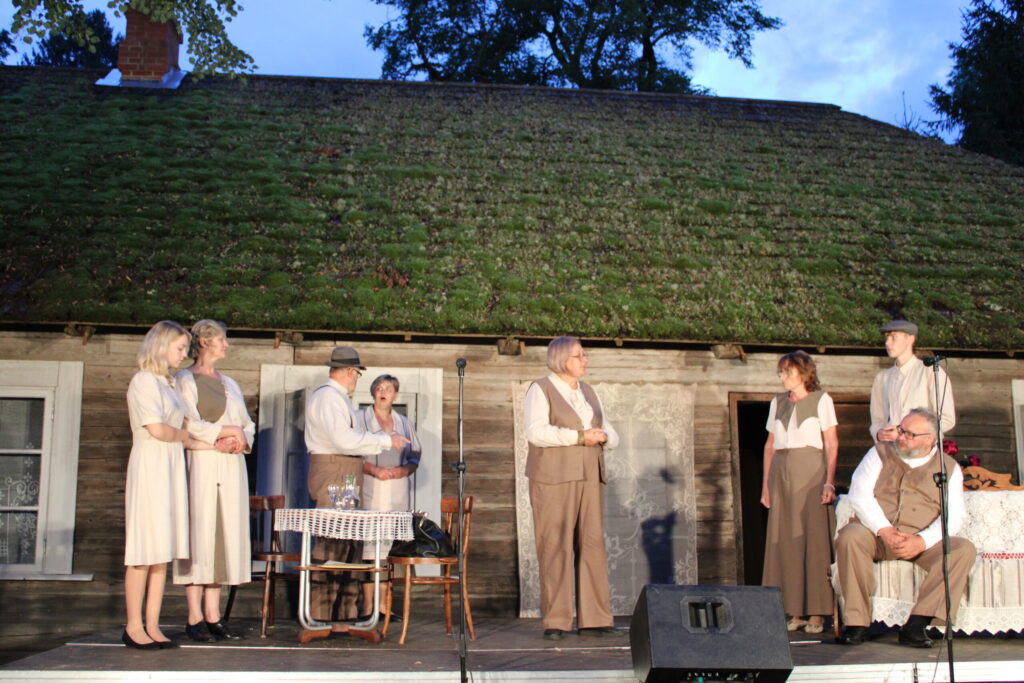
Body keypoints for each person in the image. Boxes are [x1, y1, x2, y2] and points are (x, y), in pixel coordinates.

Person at [122, 320, 243, 649]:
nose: (182, 354)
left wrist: (215, 443)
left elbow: (184, 434)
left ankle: (152, 624)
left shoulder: (168, 383)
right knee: (143, 549)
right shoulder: (144, 380)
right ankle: (133, 625)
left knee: (161, 551)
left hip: (172, 464)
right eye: (178, 348)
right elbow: (158, 430)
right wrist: (183, 435)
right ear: (161, 346)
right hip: (151, 464)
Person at [836, 408, 976, 647]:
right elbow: (859, 494)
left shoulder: (948, 467)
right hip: (877, 535)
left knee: (962, 549)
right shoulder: (879, 453)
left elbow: (953, 516)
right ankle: (857, 623)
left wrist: (921, 541)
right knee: (850, 536)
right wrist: (885, 530)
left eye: (909, 434)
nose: (900, 437)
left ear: (929, 439)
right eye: (901, 430)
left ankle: (916, 625)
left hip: (920, 541)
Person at [299, 346, 408, 643]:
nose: (356, 379)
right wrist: (384, 441)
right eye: (357, 374)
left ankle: (343, 616)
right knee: (331, 541)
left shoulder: (337, 398)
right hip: (334, 467)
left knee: (348, 542)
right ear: (349, 372)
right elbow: (342, 439)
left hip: (346, 467)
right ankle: (322, 615)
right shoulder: (327, 397)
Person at [524, 336, 620, 640]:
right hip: (554, 476)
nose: (585, 360)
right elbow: (536, 432)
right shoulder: (541, 388)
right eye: (579, 356)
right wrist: (579, 437)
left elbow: (608, 428)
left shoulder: (589, 392)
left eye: (584, 355)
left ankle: (595, 618)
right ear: (562, 359)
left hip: (589, 473)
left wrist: (606, 437)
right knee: (555, 545)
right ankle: (556, 620)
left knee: (592, 543)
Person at [173, 320, 256, 643]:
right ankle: (194, 616)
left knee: (224, 536)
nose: (226, 345)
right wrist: (223, 434)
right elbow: (187, 422)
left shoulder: (230, 383)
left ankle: (213, 615)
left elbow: (246, 423)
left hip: (231, 466)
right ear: (205, 342)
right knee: (202, 533)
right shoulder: (185, 380)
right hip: (203, 464)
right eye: (221, 339)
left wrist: (240, 440)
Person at [760, 351, 838, 635]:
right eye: (781, 372)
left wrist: (829, 482)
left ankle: (817, 612)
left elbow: (831, 442)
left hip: (811, 474)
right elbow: (770, 445)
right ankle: (794, 610)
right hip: (781, 475)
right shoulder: (777, 402)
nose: (783, 377)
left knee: (812, 540)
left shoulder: (821, 400)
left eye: (788, 372)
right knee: (785, 541)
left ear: (804, 373)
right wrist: (765, 485)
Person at [358, 373, 423, 618]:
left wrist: (403, 470)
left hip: (396, 489)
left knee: (389, 548)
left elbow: (415, 454)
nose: (384, 392)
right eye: (379, 388)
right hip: (370, 486)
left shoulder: (404, 423)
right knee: (368, 547)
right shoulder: (360, 418)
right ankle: (368, 606)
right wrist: (373, 469)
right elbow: (352, 452)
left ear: (395, 394)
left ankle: (384, 606)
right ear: (373, 392)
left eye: (389, 388)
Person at [870, 319, 955, 443]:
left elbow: (947, 419)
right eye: (886, 337)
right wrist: (879, 434)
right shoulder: (882, 378)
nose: (887, 343)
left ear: (910, 339)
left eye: (893, 337)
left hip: (923, 449)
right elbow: (877, 421)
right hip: (891, 449)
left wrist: (907, 433)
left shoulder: (930, 372)